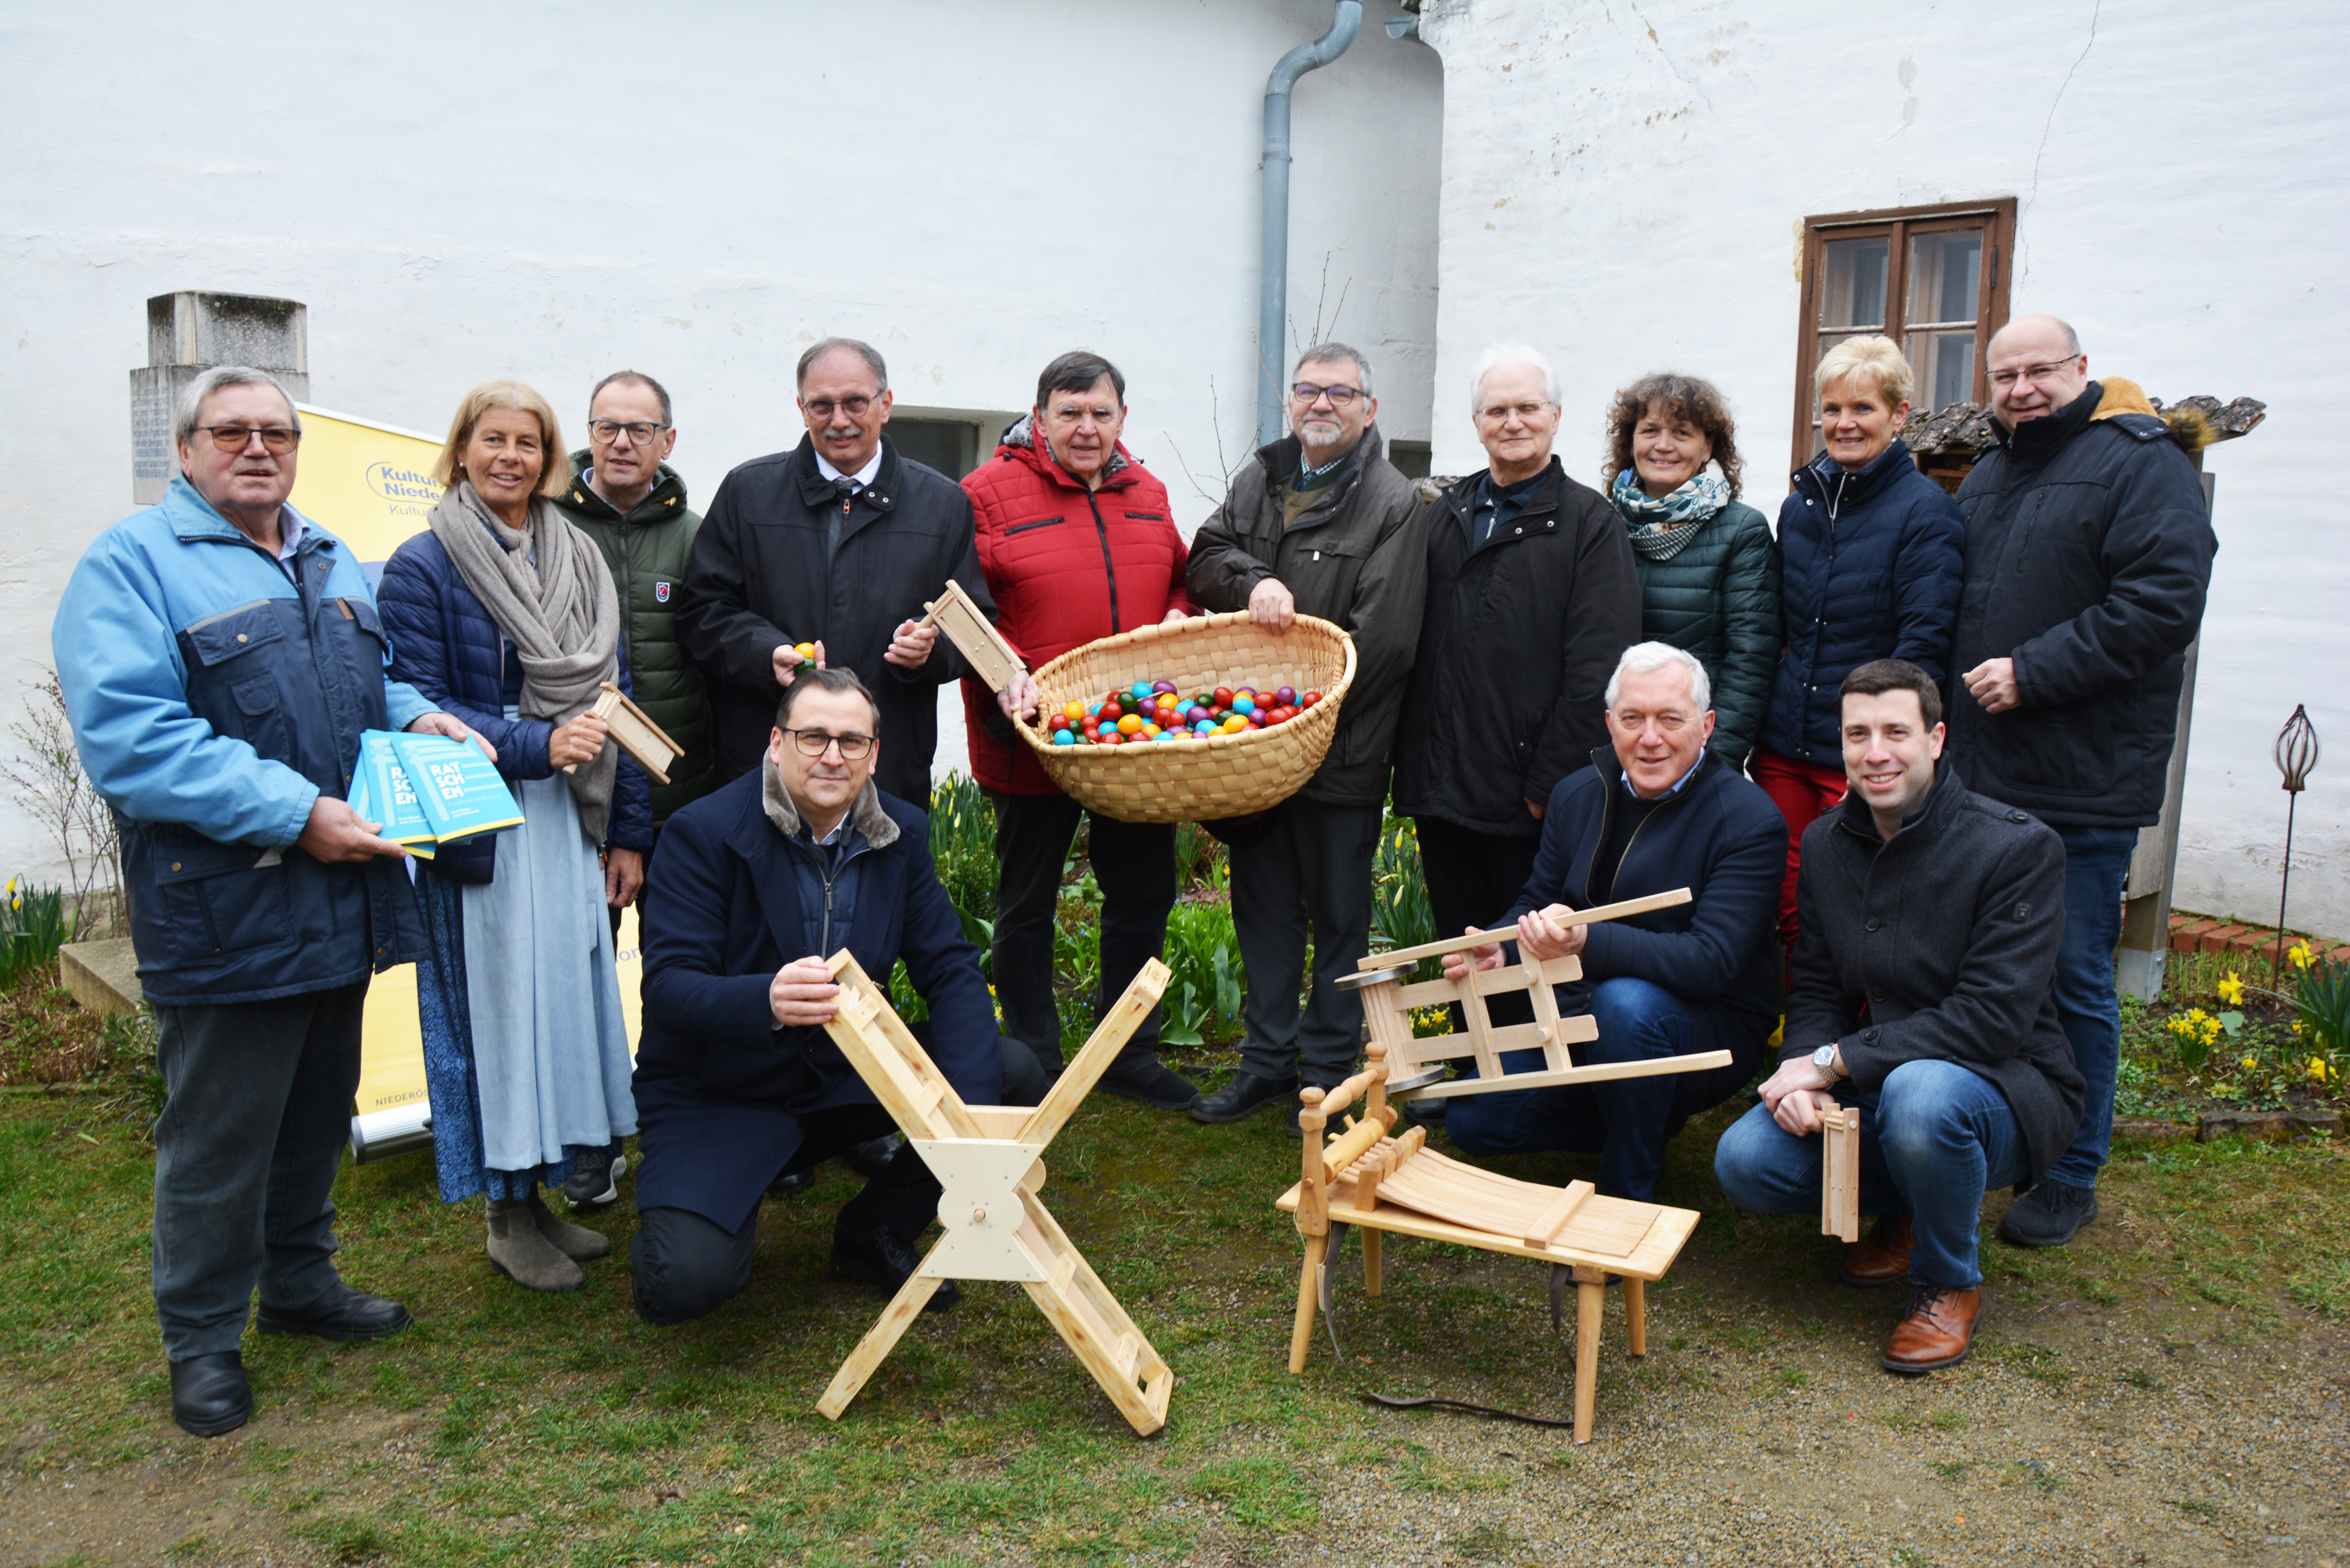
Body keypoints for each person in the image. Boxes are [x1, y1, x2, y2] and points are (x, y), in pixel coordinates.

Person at [53, 366, 483, 1437]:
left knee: (315, 1112)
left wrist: (417, 717)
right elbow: (134, 742)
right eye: (231, 431)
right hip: (228, 907)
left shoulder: (324, 551)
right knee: (219, 1136)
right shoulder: (131, 565)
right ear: (186, 449)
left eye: (275, 433)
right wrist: (299, 815)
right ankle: (201, 1340)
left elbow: (371, 680)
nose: (257, 448)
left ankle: (299, 1284)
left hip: (339, 896)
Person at [628, 668, 1051, 1324]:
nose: (833, 755)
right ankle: (686, 1210)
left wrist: (966, 1142)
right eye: (813, 737)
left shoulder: (899, 834)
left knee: (1008, 1071)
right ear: (776, 743)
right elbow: (669, 987)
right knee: (684, 1282)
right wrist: (765, 999)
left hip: (840, 1074)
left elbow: (950, 970)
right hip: (721, 1092)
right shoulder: (701, 833)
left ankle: (874, 1228)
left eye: (851, 741)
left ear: (873, 755)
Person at [1714, 660, 2083, 1373]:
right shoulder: (1824, 843)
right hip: (1881, 1086)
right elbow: (1816, 985)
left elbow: (1991, 1019)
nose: (1875, 752)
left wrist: (1833, 1063)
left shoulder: (2017, 848)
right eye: (1857, 734)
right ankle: (1918, 1202)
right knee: (1746, 1161)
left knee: (1922, 1096)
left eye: (1895, 732)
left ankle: (1948, 1281)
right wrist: (1804, 1075)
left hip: (2004, 1087)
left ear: (1936, 740)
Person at [1946, 315, 2217, 1249]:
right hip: (1981, 775)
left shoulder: (2142, 463)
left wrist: (2033, 671)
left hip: (2080, 782)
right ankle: (2005, 1135)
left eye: (2040, 370)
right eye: (2004, 375)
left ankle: (2072, 1171)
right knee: (1987, 978)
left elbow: (2164, 602)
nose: (2021, 389)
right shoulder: (1991, 473)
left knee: (2070, 981)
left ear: (2082, 369)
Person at [376, 381, 652, 1294]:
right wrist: (537, 744)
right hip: (481, 816)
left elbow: (613, 700)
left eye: (527, 443)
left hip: (570, 809)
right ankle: (504, 1215)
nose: (509, 457)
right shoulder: (421, 565)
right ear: (461, 450)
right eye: (491, 440)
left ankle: (539, 1196)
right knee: (499, 1013)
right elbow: (417, 702)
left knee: (559, 1003)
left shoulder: (575, 553)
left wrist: (626, 831)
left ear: (548, 459)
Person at [1183, 342, 1432, 1131]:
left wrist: (1300, 727)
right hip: (1256, 755)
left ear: (1369, 408)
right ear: (1290, 402)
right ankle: (1265, 1064)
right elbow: (1205, 558)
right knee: (1263, 913)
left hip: (1337, 754)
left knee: (1337, 920)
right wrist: (1253, 579)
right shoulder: (1260, 478)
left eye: (1340, 392)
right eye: (1308, 390)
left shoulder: (1394, 502)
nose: (1322, 404)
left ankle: (1326, 1072)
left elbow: (1383, 643)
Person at [1439, 644, 1783, 1201]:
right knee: (1474, 1118)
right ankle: (1640, 1115)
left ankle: (1627, 1191)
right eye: (1632, 719)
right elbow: (1539, 897)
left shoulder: (1748, 820)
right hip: (1581, 1015)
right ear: (1609, 723)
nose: (1650, 738)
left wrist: (1585, 942)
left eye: (1670, 719)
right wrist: (1502, 947)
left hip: (1706, 1025)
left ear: (1706, 727)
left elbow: (1711, 962)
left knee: (1624, 1005)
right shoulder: (1576, 794)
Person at [965, 351, 1200, 1111]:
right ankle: (1032, 1061)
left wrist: (1178, 618)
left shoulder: (1149, 492)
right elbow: (964, 605)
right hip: (1031, 736)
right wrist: (1006, 670)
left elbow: (1180, 578)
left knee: (1143, 895)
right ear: (1040, 419)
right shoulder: (985, 493)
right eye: (1070, 413)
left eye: (1101, 413)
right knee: (1026, 903)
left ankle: (1128, 1052)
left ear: (1122, 417)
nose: (1087, 428)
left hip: (1131, 741)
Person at [1394, 345, 1640, 1022]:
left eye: (1527, 407)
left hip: (1525, 798)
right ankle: (1474, 1068)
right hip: (1441, 789)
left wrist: (1545, 786)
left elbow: (1598, 667)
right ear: (1476, 423)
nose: (1513, 422)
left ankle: (1527, 1074)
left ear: (1555, 416)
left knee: (1527, 960)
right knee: (1462, 951)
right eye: (1496, 410)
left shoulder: (1589, 524)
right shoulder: (1443, 515)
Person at [677, 337, 991, 805]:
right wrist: (766, 654)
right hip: (768, 761)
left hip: (889, 764)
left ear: (886, 404)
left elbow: (974, 627)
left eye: (855, 402)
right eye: (822, 405)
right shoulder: (748, 492)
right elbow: (702, 611)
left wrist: (931, 651)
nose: (839, 420)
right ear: (802, 410)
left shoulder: (943, 503)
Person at [1753, 335, 1963, 960]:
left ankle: (1858, 1026)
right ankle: (1797, 1020)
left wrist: (1880, 751)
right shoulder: (1799, 508)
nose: (1844, 424)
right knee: (1787, 907)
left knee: (1857, 910)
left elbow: (1920, 647)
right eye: (1832, 409)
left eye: (1862, 408)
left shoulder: (1926, 513)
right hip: (1784, 748)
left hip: (1858, 754)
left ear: (1898, 415)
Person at [555, 368, 710, 1208]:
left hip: (681, 795)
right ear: (587, 435)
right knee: (583, 968)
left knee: (679, 967)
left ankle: (674, 1120)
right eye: (606, 426)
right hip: (578, 794)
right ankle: (592, 1140)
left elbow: (717, 644)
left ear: (667, 441)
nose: (621, 442)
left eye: (639, 429)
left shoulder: (697, 535)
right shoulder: (546, 526)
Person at [1600, 372, 1779, 768]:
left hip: (1695, 752)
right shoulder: (1602, 524)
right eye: (1650, 430)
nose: (1663, 445)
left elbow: (1751, 662)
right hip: (1617, 748)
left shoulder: (1741, 531)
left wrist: (1711, 763)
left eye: (1682, 433)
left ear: (1707, 446)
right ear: (1631, 441)